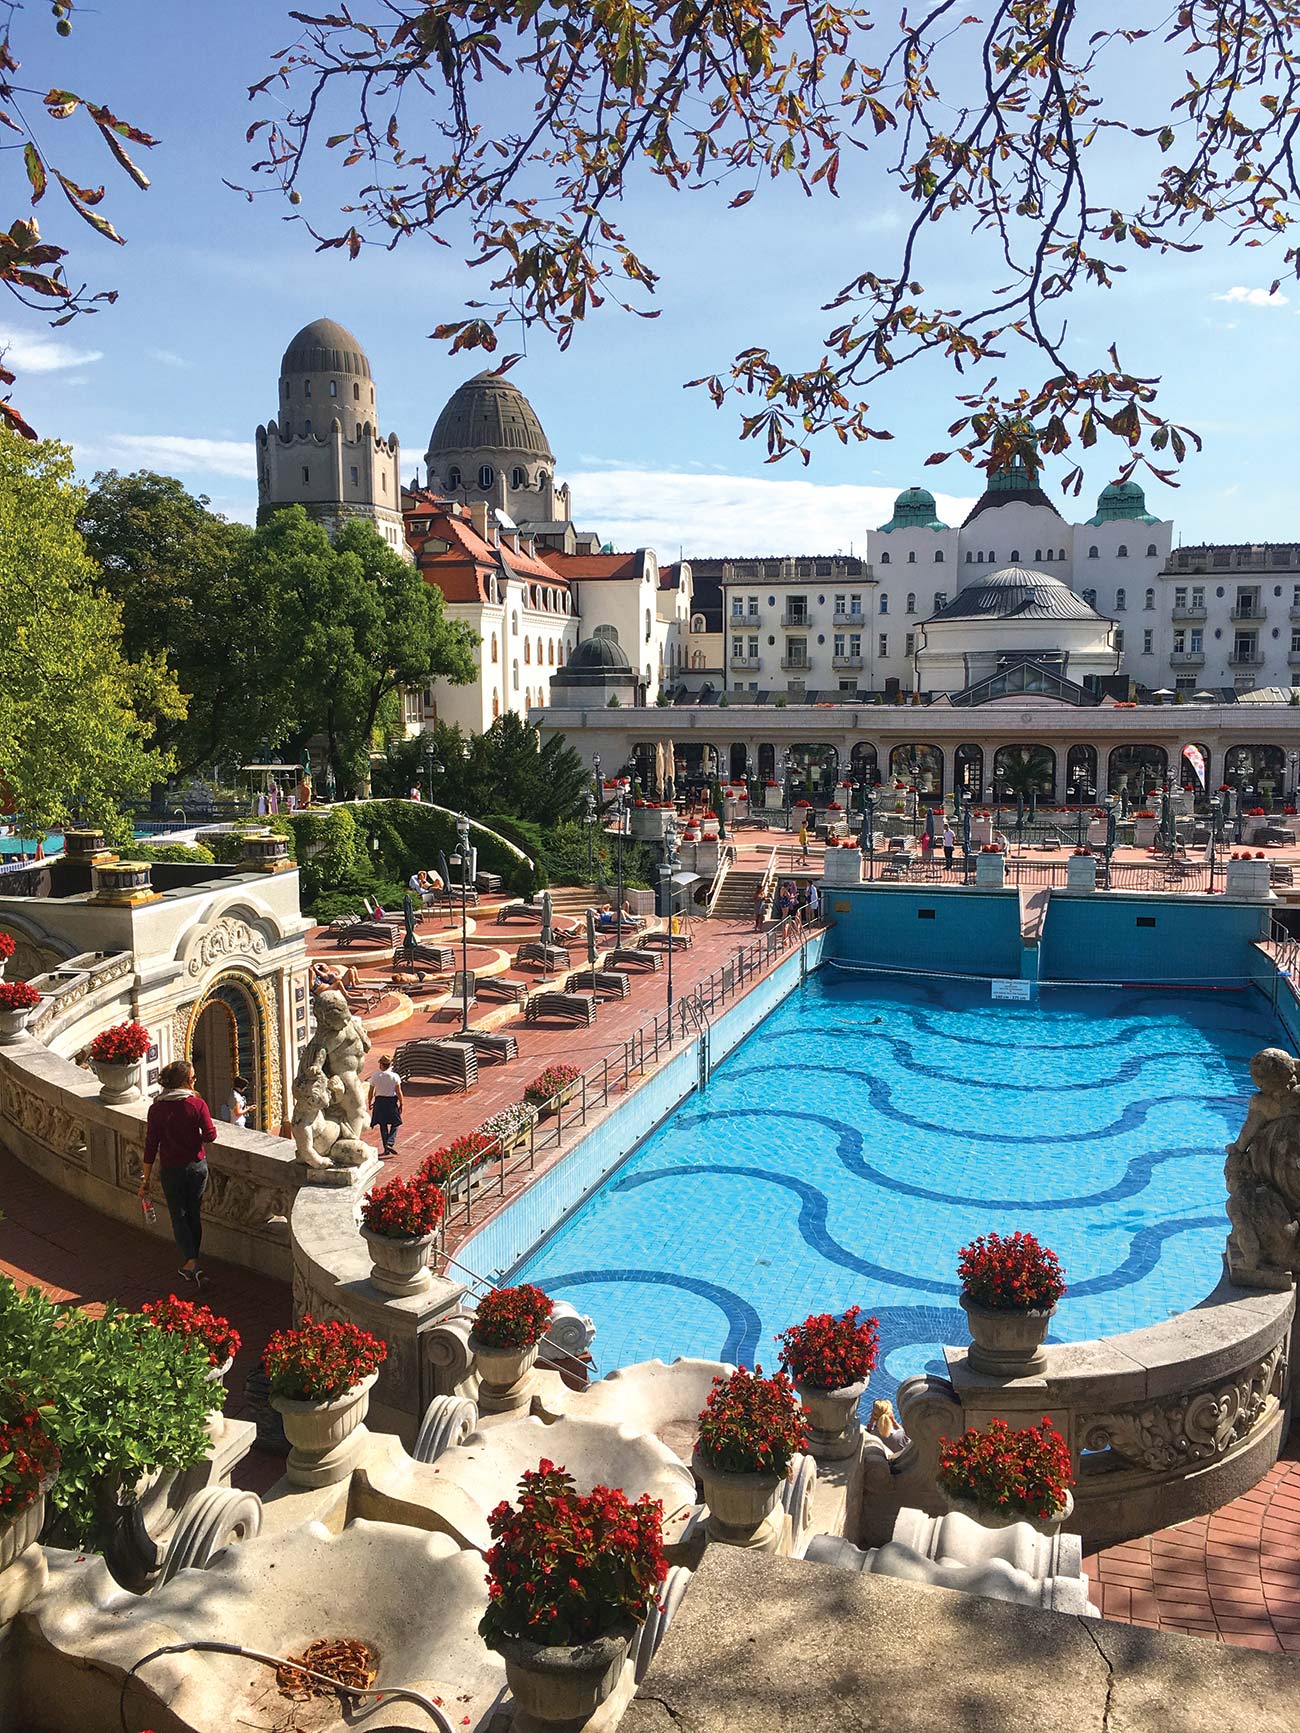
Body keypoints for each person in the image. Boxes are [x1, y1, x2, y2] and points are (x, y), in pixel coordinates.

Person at [139, 1060, 216, 1283]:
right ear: (184, 1081)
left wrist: (145, 1178)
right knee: (194, 1212)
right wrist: (194, 1140)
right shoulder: (197, 1105)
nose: (194, 1081)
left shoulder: (156, 1109)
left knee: (178, 1215)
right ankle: (194, 1261)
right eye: (192, 1078)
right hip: (197, 1166)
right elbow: (211, 1135)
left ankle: (191, 1261)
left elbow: (151, 1145)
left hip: (172, 1169)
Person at [367, 1053, 405, 1158]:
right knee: (396, 1123)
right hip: (391, 1102)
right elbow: (398, 1091)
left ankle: (386, 1147)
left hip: (379, 1102)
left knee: (382, 1125)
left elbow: (371, 1091)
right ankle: (390, 1142)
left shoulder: (375, 1076)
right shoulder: (395, 1076)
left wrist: (369, 1102)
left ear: (381, 1065)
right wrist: (401, 1103)